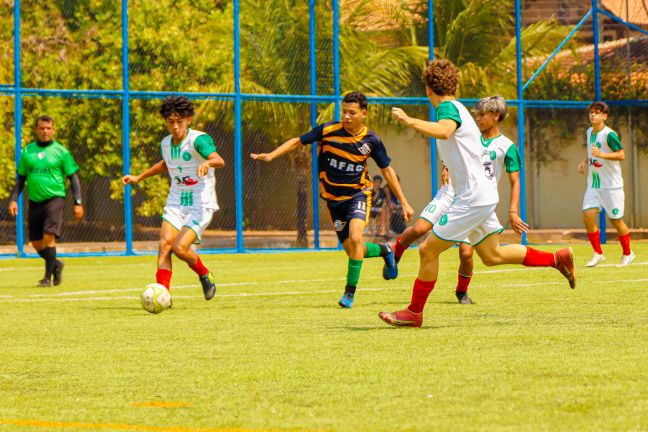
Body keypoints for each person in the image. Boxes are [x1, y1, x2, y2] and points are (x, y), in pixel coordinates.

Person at [379, 59, 575, 328]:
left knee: (428, 251)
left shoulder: (447, 108)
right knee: (492, 255)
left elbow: (445, 130)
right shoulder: (456, 107)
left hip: (472, 198)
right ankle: (557, 258)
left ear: (428, 88)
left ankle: (414, 312)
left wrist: (409, 119)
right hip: (481, 195)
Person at [251, 91, 414, 309]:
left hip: (358, 195)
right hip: (333, 201)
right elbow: (297, 141)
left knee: (356, 237)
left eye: (352, 112)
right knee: (353, 250)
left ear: (363, 114)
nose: (346, 116)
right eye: (344, 111)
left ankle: (349, 293)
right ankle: (386, 250)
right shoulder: (328, 131)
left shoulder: (371, 140)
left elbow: (387, 171)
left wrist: (403, 201)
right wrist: (271, 155)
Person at [389, 96, 529, 305]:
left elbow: (515, 181)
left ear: (496, 116)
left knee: (466, 253)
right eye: (477, 115)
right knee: (418, 229)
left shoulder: (506, 146)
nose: (478, 118)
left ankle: (460, 292)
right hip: (450, 193)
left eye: (482, 115)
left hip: (472, 201)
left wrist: (513, 211)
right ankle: (394, 257)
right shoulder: (469, 132)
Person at [122, 96, 225, 300]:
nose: (175, 126)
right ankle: (163, 295)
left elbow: (218, 159)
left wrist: (207, 164)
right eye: (171, 122)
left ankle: (204, 274)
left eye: (179, 121)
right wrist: (138, 177)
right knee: (164, 246)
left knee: (179, 248)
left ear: (188, 119)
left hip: (199, 202)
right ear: (165, 122)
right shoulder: (166, 143)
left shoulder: (198, 140)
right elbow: (165, 164)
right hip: (176, 200)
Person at [8, 115, 84, 287]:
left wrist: (78, 202)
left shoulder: (61, 151)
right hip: (35, 201)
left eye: (48, 128)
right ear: (36, 130)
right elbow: (20, 178)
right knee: (35, 242)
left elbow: (73, 178)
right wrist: (13, 199)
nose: (45, 131)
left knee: (49, 236)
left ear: (53, 130)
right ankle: (56, 264)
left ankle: (46, 278)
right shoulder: (28, 151)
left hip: (55, 199)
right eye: (42, 128)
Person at [578, 101, 634, 267]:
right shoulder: (589, 132)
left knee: (616, 221)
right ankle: (598, 253)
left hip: (612, 186)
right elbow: (591, 151)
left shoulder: (610, 134)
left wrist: (602, 154)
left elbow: (621, 155)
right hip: (594, 185)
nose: (593, 115)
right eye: (591, 112)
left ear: (604, 116)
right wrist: (584, 161)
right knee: (587, 216)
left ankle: (628, 253)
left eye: (597, 112)